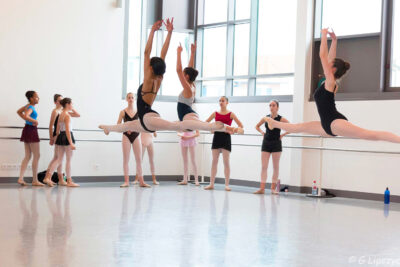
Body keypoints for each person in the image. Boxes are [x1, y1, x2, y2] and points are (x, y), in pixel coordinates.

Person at [99, 19, 238, 135]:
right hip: (145, 121)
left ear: (151, 68)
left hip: (148, 120)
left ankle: (220, 127)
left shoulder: (148, 78)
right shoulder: (159, 78)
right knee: (127, 125)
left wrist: (153, 31)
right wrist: (169, 33)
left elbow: (147, 52)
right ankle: (108, 128)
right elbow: (163, 54)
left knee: (177, 125)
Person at [265, 28, 400, 143]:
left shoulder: (330, 81)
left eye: (330, 64)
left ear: (333, 69)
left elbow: (323, 56)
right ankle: (273, 123)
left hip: (335, 122)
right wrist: (334, 41)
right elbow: (328, 58)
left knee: (368, 134)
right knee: (298, 127)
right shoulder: (328, 81)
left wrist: (323, 34)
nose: (327, 63)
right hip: (326, 125)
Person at [204, 96, 244, 191]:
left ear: (227, 103)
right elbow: (206, 123)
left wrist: (232, 131)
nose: (221, 102)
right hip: (217, 137)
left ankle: (226, 185)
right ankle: (211, 184)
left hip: (226, 138)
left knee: (226, 162)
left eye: (223, 101)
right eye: (220, 101)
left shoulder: (231, 114)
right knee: (214, 161)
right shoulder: (215, 113)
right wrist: (211, 130)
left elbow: (241, 126)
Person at [254, 100, 289, 194]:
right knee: (264, 166)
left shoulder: (281, 119)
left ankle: (273, 189)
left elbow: (291, 127)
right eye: (270, 105)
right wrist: (262, 133)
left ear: (277, 107)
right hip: (266, 142)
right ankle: (262, 188)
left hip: (276, 143)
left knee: (275, 167)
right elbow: (257, 126)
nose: (271, 107)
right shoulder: (266, 118)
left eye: (273, 105)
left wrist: (283, 135)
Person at [42, 98, 80, 187]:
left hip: (60, 137)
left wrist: (56, 138)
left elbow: (58, 129)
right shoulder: (67, 115)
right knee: (68, 160)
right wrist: (71, 143)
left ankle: (48, 177)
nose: (72, 106)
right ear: (67, 104)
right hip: (67, 136)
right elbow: (67, 130)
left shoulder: (61, 114)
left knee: (59, 159)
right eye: (72, 104)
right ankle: (69, 181)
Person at [118, 93, 150, 188]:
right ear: (126, 99)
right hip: (126, 137)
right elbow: (118, 125)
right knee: (126, 160)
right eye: (129, 97)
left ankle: (142, 182)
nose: (131, 99)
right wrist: (126, 128)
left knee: (139, 160)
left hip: (136, 136)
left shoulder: (138, 111)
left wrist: (134, 129)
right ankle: (126, 181)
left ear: (134, 99)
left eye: (132, 97)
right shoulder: (123, 112)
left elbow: (142, 125)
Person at [17, 91, 43, 186]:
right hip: (31, 130)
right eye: (36, 97)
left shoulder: (27, 106)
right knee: (37, 155)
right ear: (31, 98)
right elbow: (27, 116)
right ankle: (35, 180)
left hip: (27, 130)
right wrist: (34, 120)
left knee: (28, 156)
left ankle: (20, 179)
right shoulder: (31, 107)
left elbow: (19, 112)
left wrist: (28, 119)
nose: (38, 98)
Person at [47, 94, 65, 185]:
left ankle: (60, 179)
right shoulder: (55, 111)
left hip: (61, 134)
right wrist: (51, 138)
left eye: (62, 100)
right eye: (59, 100)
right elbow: (50, 126)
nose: (61, 102)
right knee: (57, 158)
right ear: (55, 102)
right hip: (56, 135)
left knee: (58, 158)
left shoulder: (63, 111)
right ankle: (47, 177)